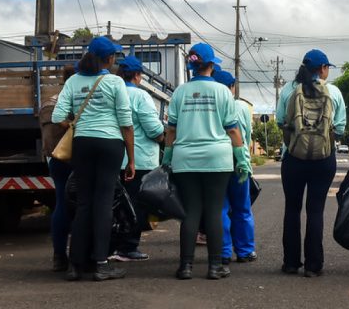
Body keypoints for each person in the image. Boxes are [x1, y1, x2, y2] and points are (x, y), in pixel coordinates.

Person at [163, 43, 251, 280]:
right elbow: (233, 131)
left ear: (192, 66)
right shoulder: (223, 92)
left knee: (191, 212)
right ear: (211, 65)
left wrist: (167, 157)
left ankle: (186, 267)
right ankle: (214, 267)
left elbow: (171, 130)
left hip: (185, 159)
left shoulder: (180, 92)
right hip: (217, 159)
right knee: (213, 211)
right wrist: (242, 159)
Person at [52, 36, 135, 282]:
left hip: (82, 144)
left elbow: (58, 116)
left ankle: (75, 265)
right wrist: (131, 159)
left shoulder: (74, 81)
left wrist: (77, 124)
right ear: (109, 58)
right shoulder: (115, 82)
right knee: (103, 203)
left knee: (84, 204)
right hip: (110, 144)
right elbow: (126, 123)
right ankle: (100, 263)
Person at [276, 49, 346, 277]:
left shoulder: (289, 90)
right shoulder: (333, 92)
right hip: (323, 159)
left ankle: (290, 263)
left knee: (292, 209)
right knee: (316, 210)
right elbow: (341, 129)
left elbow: (280, 121)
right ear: (323, 68)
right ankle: (313, 266)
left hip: (294, 158)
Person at [110, 56, 165, 262]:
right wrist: (163, 136)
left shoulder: (112, 92)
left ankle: (111, 245)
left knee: (115, 204)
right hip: (139, 160)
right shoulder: (140, 96)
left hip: (116, 157)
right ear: (136, 75)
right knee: (135, 205)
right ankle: (128, 247)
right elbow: (153, 129)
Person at [213, 69, 257, 265]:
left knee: (220, 208)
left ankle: (223, 252)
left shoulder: (211, 104)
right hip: (239, 163)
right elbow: (246, 138)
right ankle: (245, 250)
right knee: (242, 209)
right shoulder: (241, 107)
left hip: (217, 163)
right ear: (231, 87)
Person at [39, 64, 76, 272]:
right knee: (83, 206)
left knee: (61, 203)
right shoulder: (75, 103)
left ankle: (59, 255)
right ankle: (81, 256)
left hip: (55, 160)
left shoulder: (47, 103)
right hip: (77, 160)